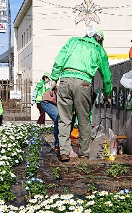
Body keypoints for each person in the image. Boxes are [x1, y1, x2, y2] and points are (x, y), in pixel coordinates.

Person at [51, 27, 112, 162]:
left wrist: (54, 78)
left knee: (64, 119)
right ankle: (84, 152)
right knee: (83, 118)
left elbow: (59, 60)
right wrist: (107, 94)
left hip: (65, 80)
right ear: (99, 39)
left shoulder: (72, 41)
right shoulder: (99, 49)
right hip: (83, 83)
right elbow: (106, 76)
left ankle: (64, 152)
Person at [39, 76, 60, 151]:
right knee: (58, 119)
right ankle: (58, 144)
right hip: (47, 102)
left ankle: (60, 143)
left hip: (52, 102)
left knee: (61, 121)